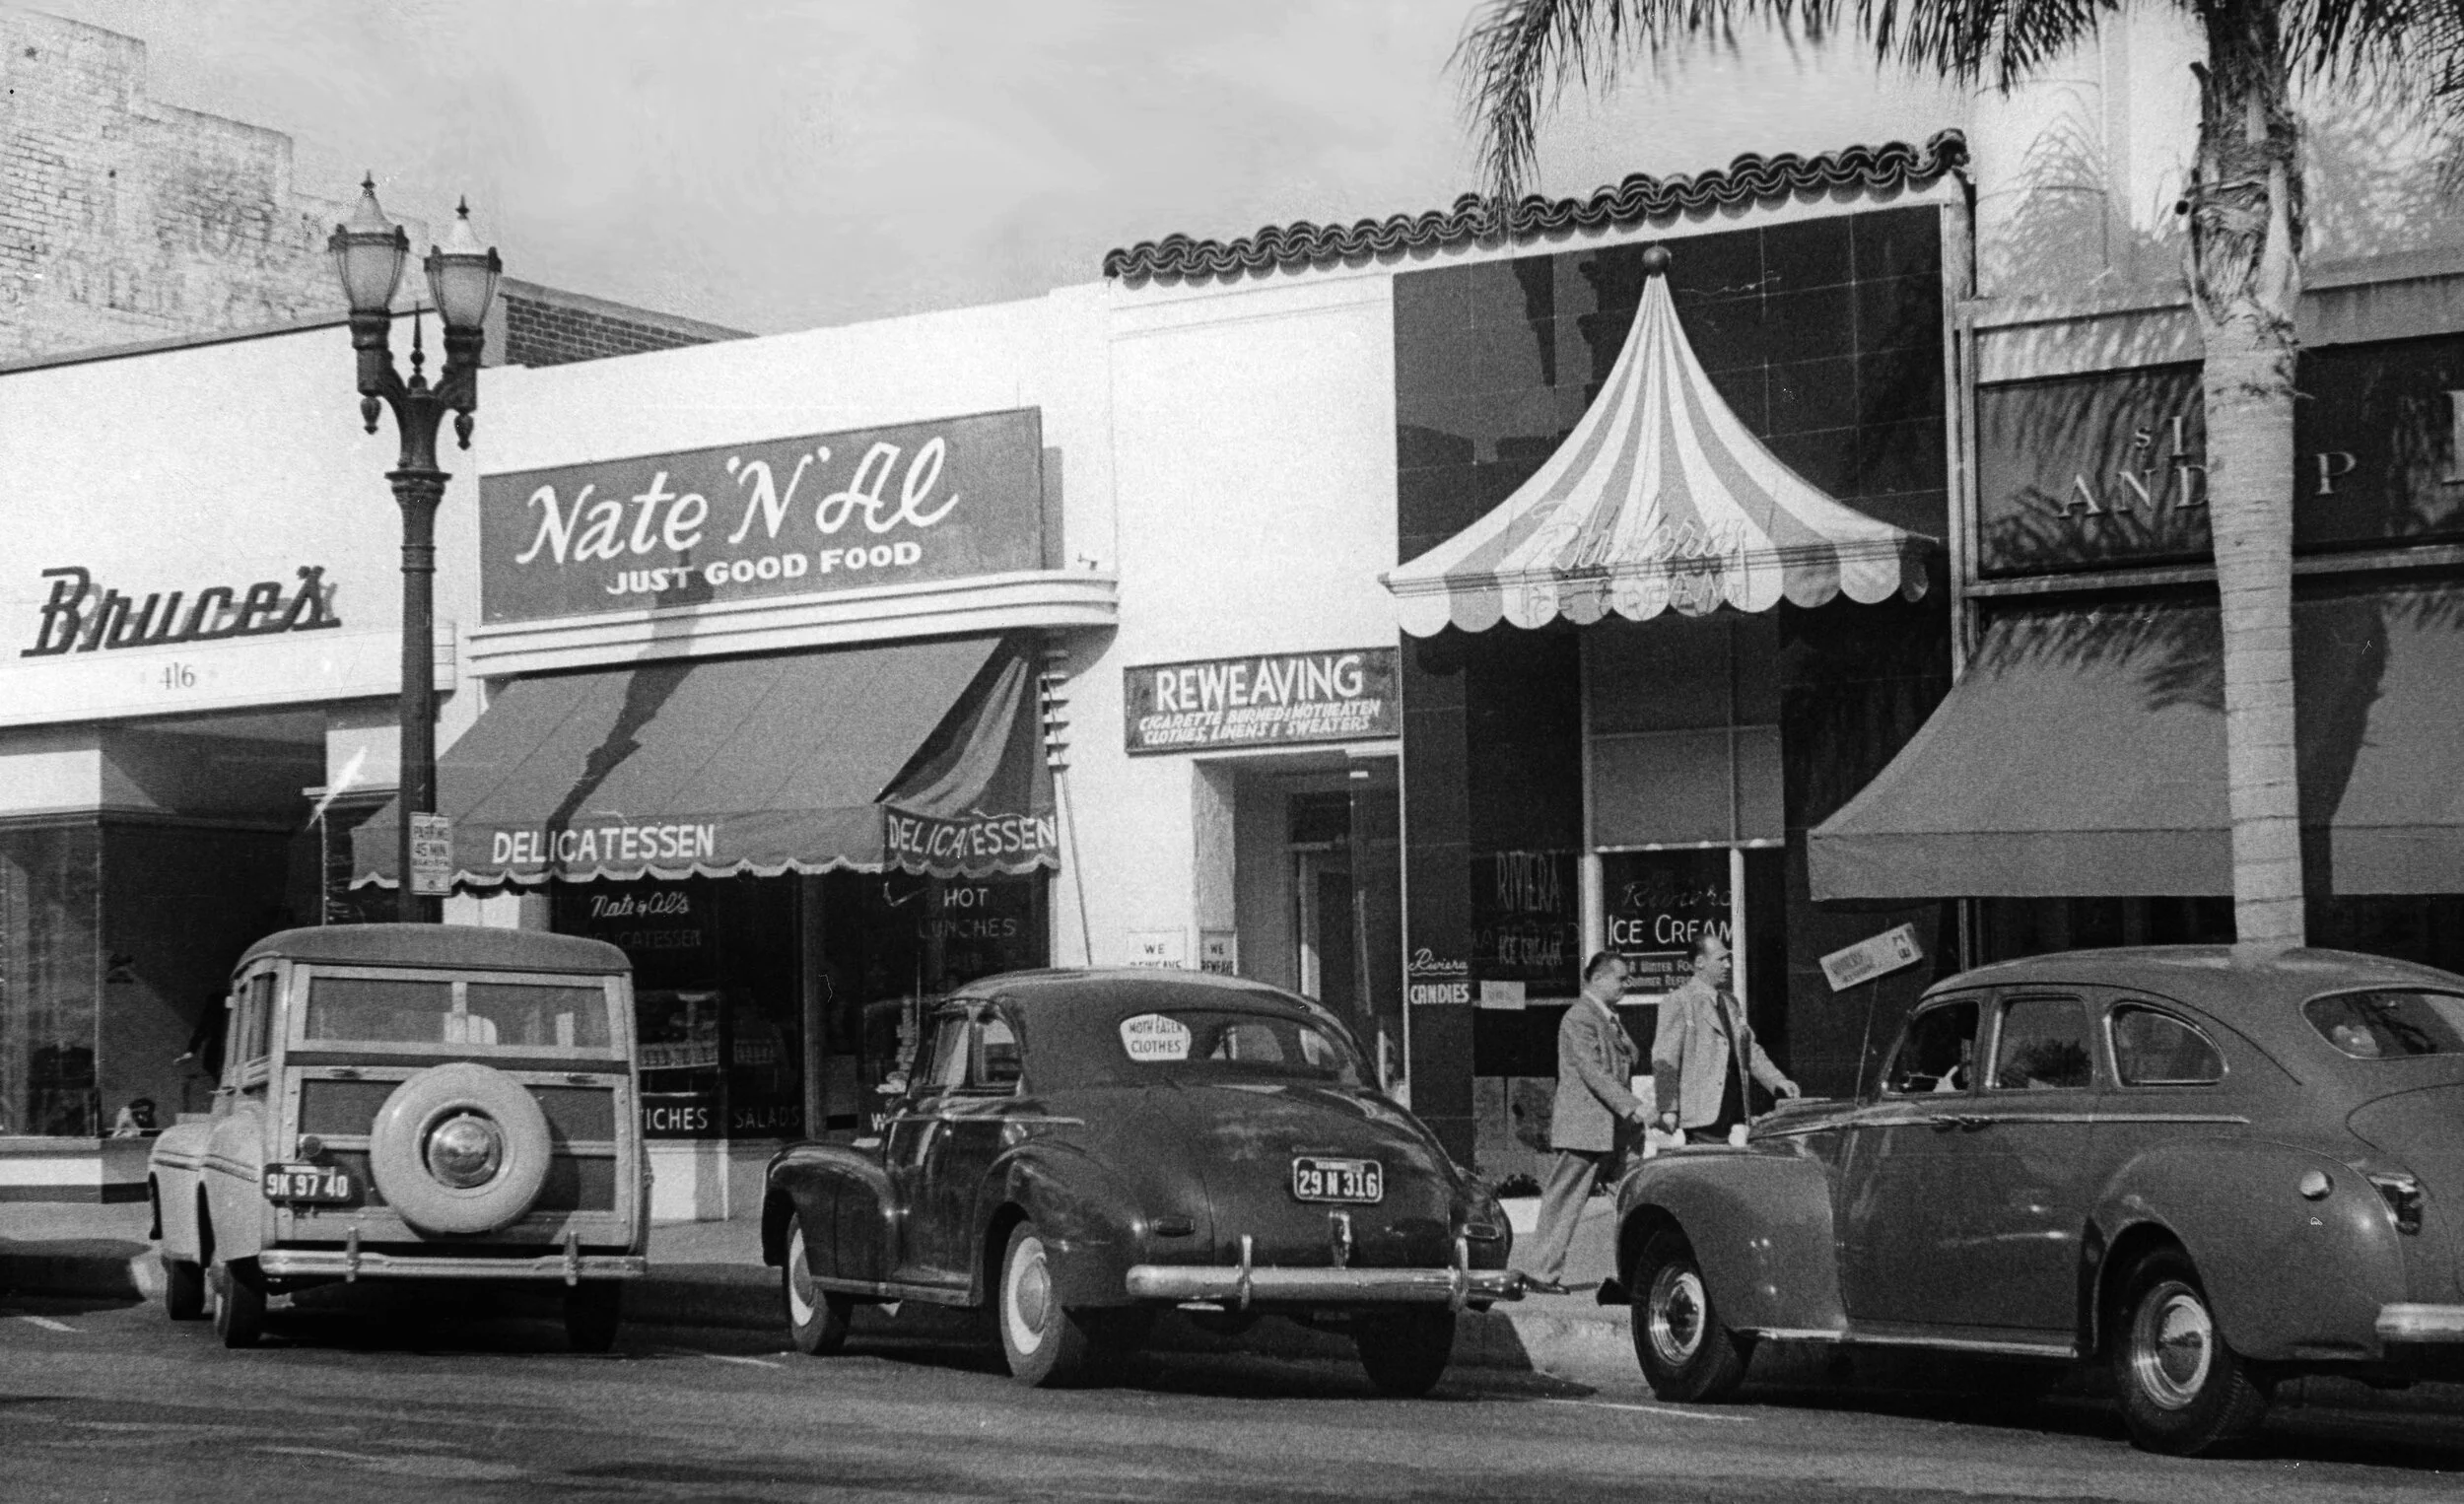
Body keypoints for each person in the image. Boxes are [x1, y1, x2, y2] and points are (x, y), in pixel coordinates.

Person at [1519, 951, 1651, 1294]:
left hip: (1617, 1133)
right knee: (1564, 1198)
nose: (1627, 984)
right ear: (1599, 978)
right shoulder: (1579, 1017)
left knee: (1633, 1199)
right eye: (1621, 978)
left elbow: (1630, 1058)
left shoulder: (1609, 1018)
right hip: (1587, 1128)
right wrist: (1633, 1107)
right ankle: (1541, 1273)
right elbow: (1593, 1071)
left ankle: (1636, 1275)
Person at [1652, 931, 1799, 1144]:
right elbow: (1665, 1060)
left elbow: (1750, 1050)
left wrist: (1777, 1081)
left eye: (1727, 959)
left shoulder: (1730, 1002)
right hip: (1702, 1119)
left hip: (1735, 1115)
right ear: (1700, 962)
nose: (1728, 965)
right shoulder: (1678, 1001)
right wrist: (1668, 1109)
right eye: (1721, 959)